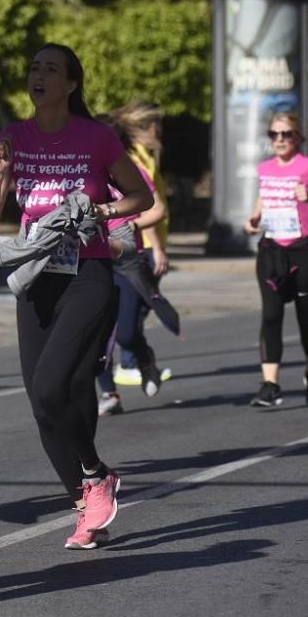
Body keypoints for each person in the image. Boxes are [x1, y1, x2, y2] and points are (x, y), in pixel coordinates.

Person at [0, 43, 152, 549]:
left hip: (87, 274)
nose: (39, 74)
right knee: (42, 401)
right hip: (36, 277)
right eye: (34, 66)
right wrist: (1, 174)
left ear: (71, 84)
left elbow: (143, 197)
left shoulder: (95, 137)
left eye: (50, 69)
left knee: (54, 384)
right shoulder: (13, 136)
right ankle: (86, 500)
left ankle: (96, 473)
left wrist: (98, 212)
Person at [244, 112, 308, 407]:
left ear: (298, 137)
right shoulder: (265, 168)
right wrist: (255, 218)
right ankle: (270, 385)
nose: (280, 140)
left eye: (287, 134)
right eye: (275, 134)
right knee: (271, 315)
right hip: (272, 250)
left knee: (307, 317)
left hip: (305, 250)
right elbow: (265, 197)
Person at [93, 112, 169, 416]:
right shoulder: (81, 173)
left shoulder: (131, 170)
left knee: (125, 333)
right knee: (95, 333)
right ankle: (109, 393)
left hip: (126, 259)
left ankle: (145, 359)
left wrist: (130, 226)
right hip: (93, 260)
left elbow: (157, 209)